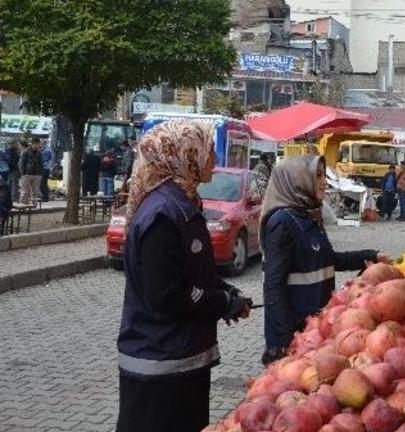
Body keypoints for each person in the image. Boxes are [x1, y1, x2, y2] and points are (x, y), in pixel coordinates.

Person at [116, 120, 251, 432]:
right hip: (159, 366)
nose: (214, 161)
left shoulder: (184, 203)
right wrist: (221, 303)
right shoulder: (162, 214)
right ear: (182, 155)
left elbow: (192, 272)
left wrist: (227, 291)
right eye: (207, 152)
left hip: (182, 360)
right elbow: (167, 294)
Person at [260, 155, 388, 364]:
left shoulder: (310, 217)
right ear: (297, 180)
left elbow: (330, 260)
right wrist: (287, 339)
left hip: (315, 328)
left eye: (323, 175)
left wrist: (370, 256)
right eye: (317, 175)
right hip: (295, 335)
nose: (323, 181)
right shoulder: (283, 223)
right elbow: (273, 286)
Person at [18, 137, 43, 205]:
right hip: (26, 174)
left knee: (35, 191)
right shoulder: (25, 152)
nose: (40, 145)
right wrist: (23, 174)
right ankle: (24, 205)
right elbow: (22, 163)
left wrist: (40, 174)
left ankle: (33, 205)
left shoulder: (39, 152)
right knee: (25, 191)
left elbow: (41, 163)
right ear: (33, 144)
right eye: (38, 144)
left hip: (37, 175)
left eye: (40, 144)